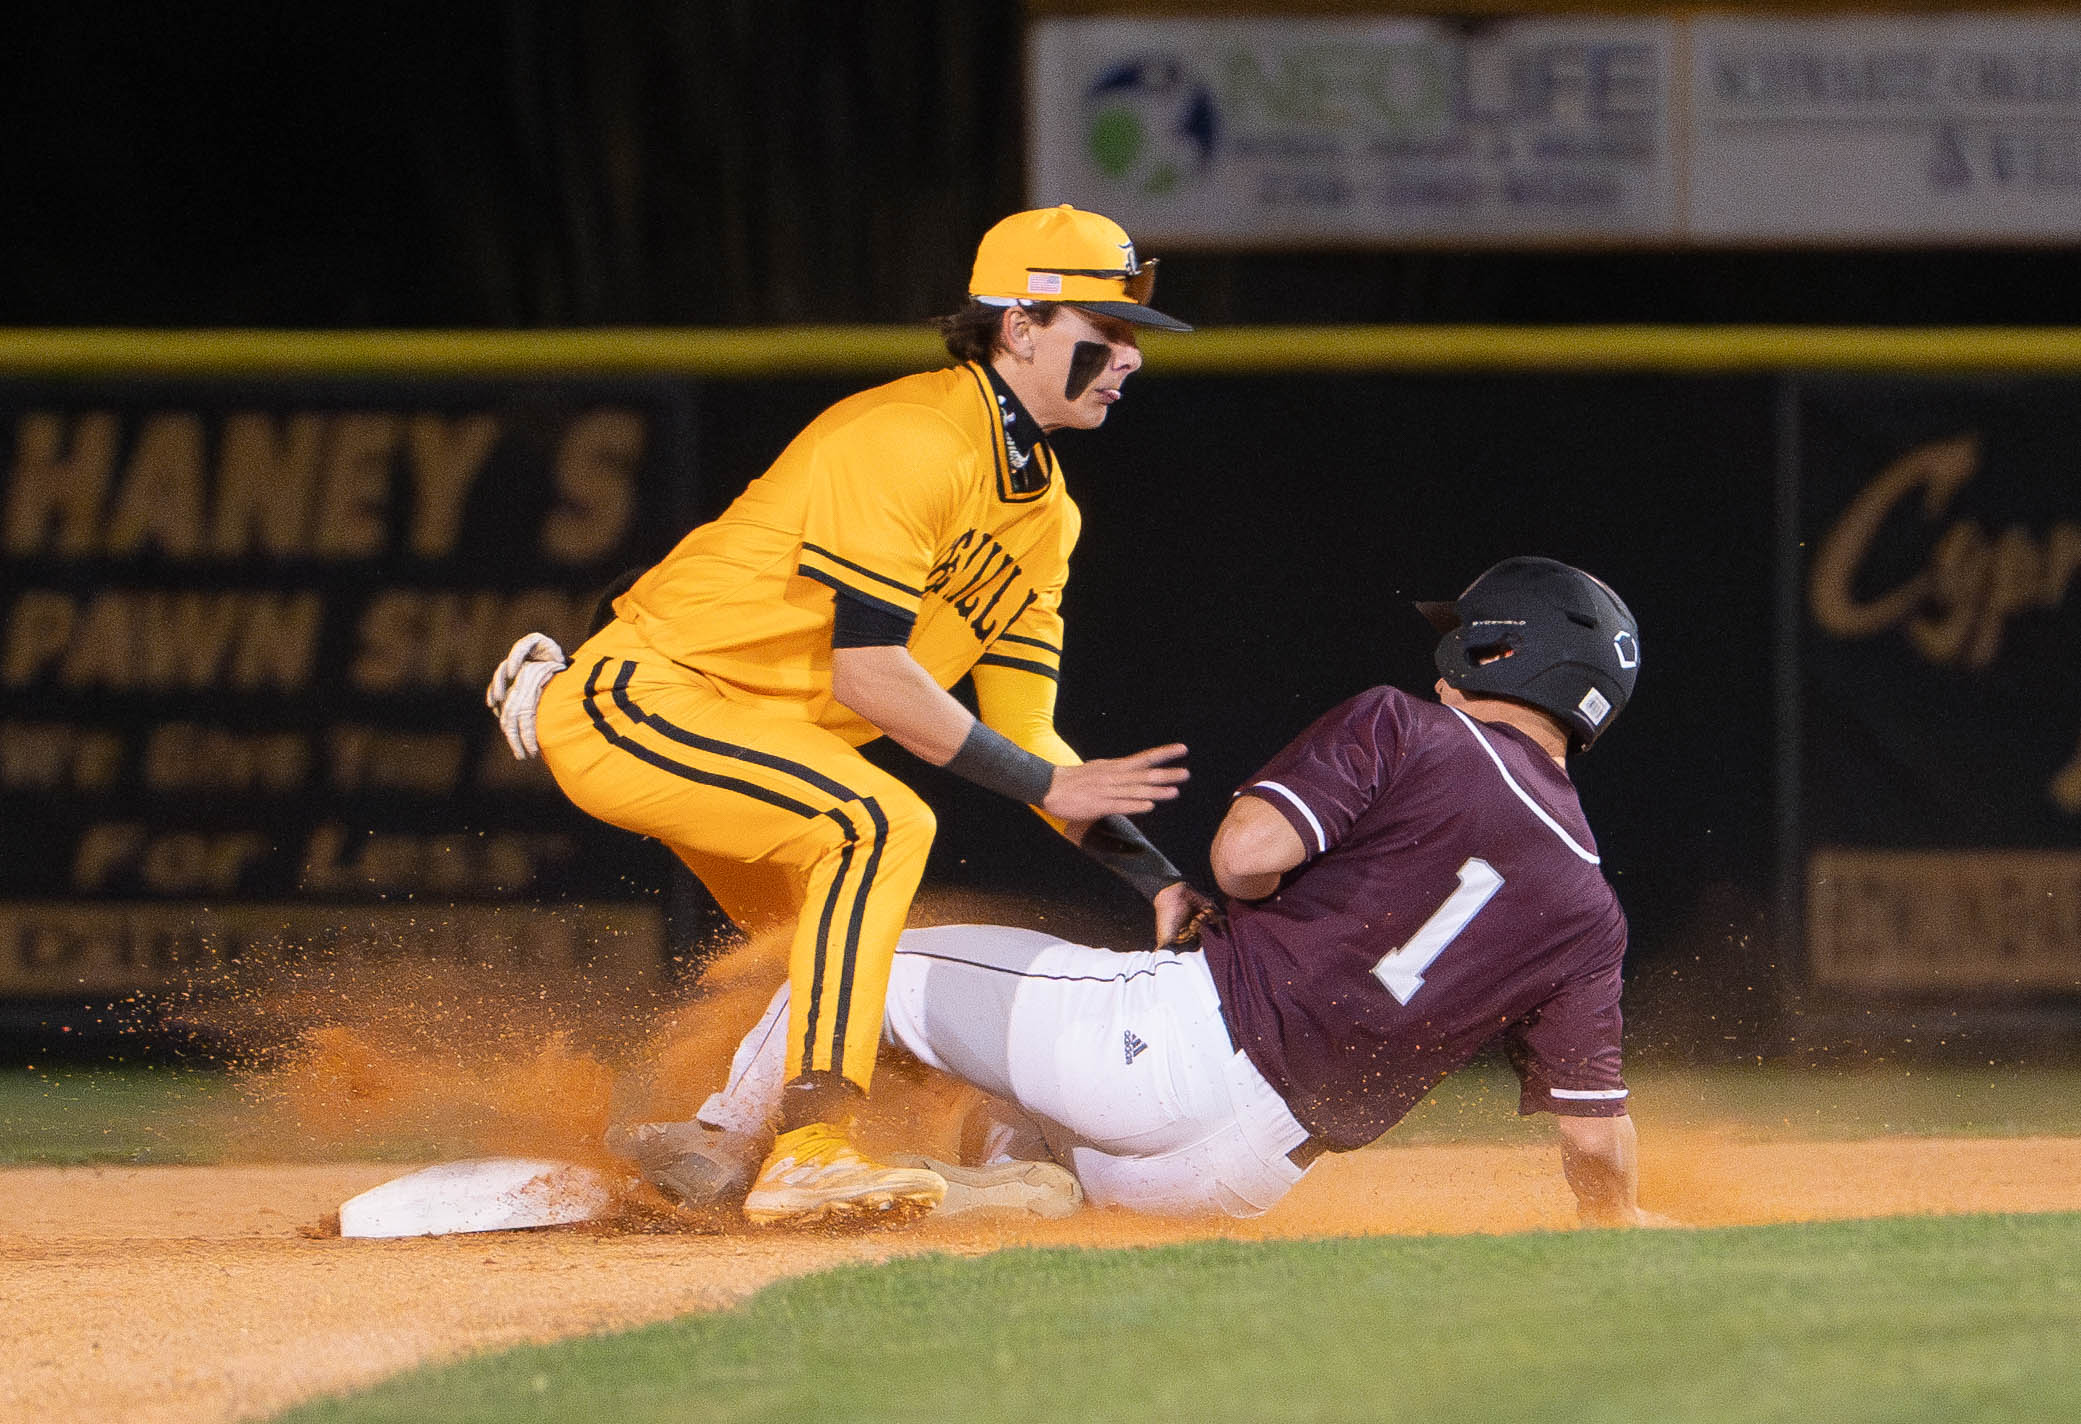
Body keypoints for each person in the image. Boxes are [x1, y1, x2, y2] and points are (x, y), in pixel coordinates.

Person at [484, 205, 1217, 1228]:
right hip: (643, 700)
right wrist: (1042, 784)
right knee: (878, 823)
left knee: (874, 965)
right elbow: (872, 675)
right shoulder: (909, 438)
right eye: (1106, 326)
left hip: (763, 746)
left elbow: (1033, 741)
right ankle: (809, 1149)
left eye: (1135, 332)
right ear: (1017, 326)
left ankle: (714, 1145)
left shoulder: (1045, 520)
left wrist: (1162, 878)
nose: (1128, 356)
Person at [640, 557, 1658, 1226]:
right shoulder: (1587, 910)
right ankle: (1009, 1191)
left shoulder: (1408, 725)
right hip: (1234, 1177)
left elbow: (1242, 857)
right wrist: (1617, 1221)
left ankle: (723, 1145)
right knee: (1010, 1114)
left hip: (1168, 1046)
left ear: (1497, 651)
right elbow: (1593, 1137)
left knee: (872, 959)